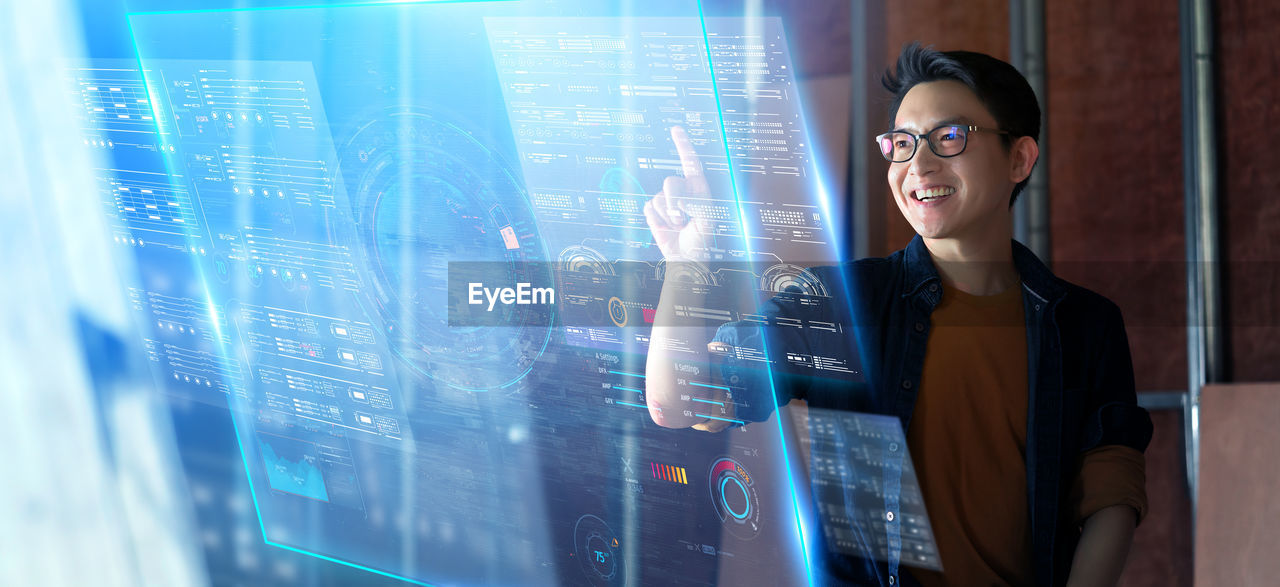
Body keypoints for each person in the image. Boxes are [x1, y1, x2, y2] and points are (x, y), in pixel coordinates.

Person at [643, 43, 1151, 586]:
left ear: (1019, 158)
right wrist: (688, 261)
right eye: (902, 144)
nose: (919, 165)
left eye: (949, 137)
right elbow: (678, 400)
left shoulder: (1085, 325)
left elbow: (1110, 496)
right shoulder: (843, 302)